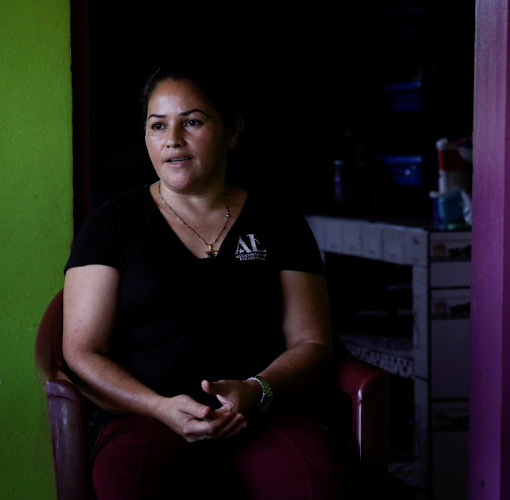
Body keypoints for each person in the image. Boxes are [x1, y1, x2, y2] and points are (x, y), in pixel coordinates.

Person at [61, 59, 349, 499]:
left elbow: (312, 342)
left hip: (261, 412)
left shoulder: (279, 221)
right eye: (158, 126)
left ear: (232, 131)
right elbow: (82, 350)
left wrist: (256, 390)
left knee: (315, 482)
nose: (172, 140)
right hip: (144, 416)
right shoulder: (112, 224)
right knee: (128, 485)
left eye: (192, 122)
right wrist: (160, 407)